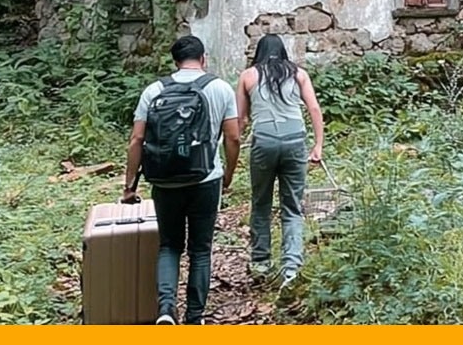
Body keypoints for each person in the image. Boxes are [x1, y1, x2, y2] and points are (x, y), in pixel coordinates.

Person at [122, 35, 241, 325]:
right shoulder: (220, 88)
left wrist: (129, 187)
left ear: (175, 62)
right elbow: (233, 137)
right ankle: (195, 316)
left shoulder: (154, 90)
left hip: (165, 181)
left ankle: (165, 310)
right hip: (206, 179)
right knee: (200, 248)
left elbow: (137, 139)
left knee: (169, 245)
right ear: (203, 59)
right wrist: (228, 174)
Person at [236, 34, 326, 288]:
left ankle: (261, 263)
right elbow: (314, 109)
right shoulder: (299, 74)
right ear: (283, 51)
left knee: (261, 202)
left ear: (259, 53)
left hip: (263, 142)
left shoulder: (248, 76)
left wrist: (234, 147)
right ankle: (292, 268)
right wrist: (317, 145)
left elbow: (240, 120)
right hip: (295, 141)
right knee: (292, 206)